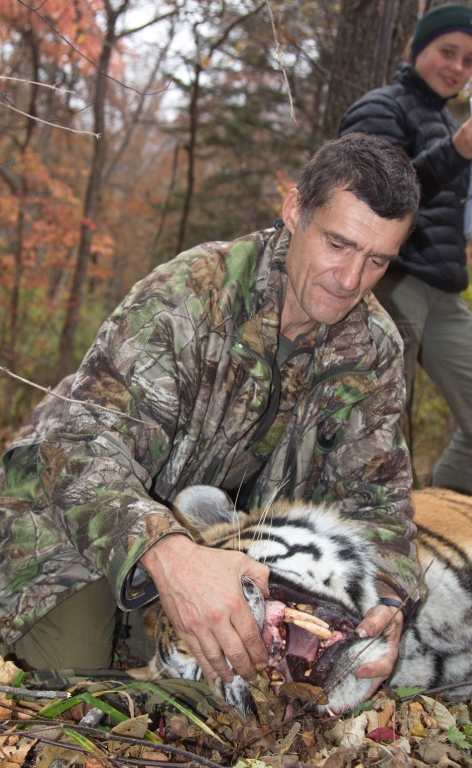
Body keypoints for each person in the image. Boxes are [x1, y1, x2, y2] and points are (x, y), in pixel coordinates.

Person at [0, 134, 420, 698]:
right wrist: (172, 557)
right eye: (338, 244)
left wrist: (387, 597)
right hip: (72, 520)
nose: (350, 279)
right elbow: (80, 449)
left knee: (222, 687)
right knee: (77, 686)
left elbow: (378, 505)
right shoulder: (191, 295)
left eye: (376, 260)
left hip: (231, 550)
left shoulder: (374, 347)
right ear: (294, 210)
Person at [339, 4, 472, 495]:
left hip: (443, 291)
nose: (457, 67)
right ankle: (381, 524)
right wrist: (456, 152)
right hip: (389, 282)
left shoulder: (449, 121)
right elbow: (370, 196)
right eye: (447, 52)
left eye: (469, 60)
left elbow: (443, 220)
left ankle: (441, 516)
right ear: (418, 49)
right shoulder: (381, 107)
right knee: (381, 435)